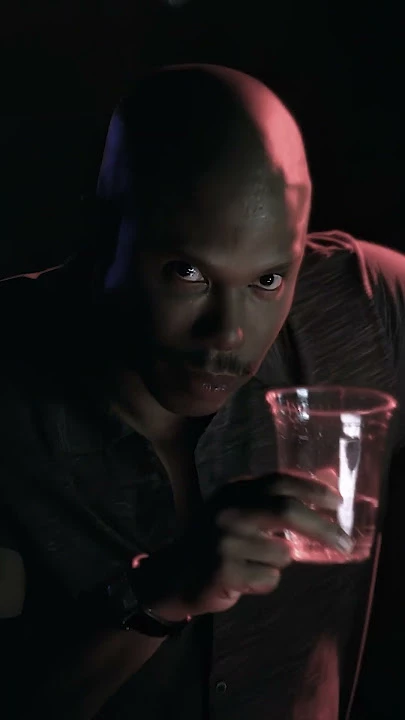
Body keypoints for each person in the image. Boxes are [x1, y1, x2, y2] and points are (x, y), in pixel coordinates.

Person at [0, 64, 404, 720]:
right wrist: (156, 594)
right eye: (188, 273)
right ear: (104, 233)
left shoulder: (361, 306)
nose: (229, 333)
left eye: (269, 280)